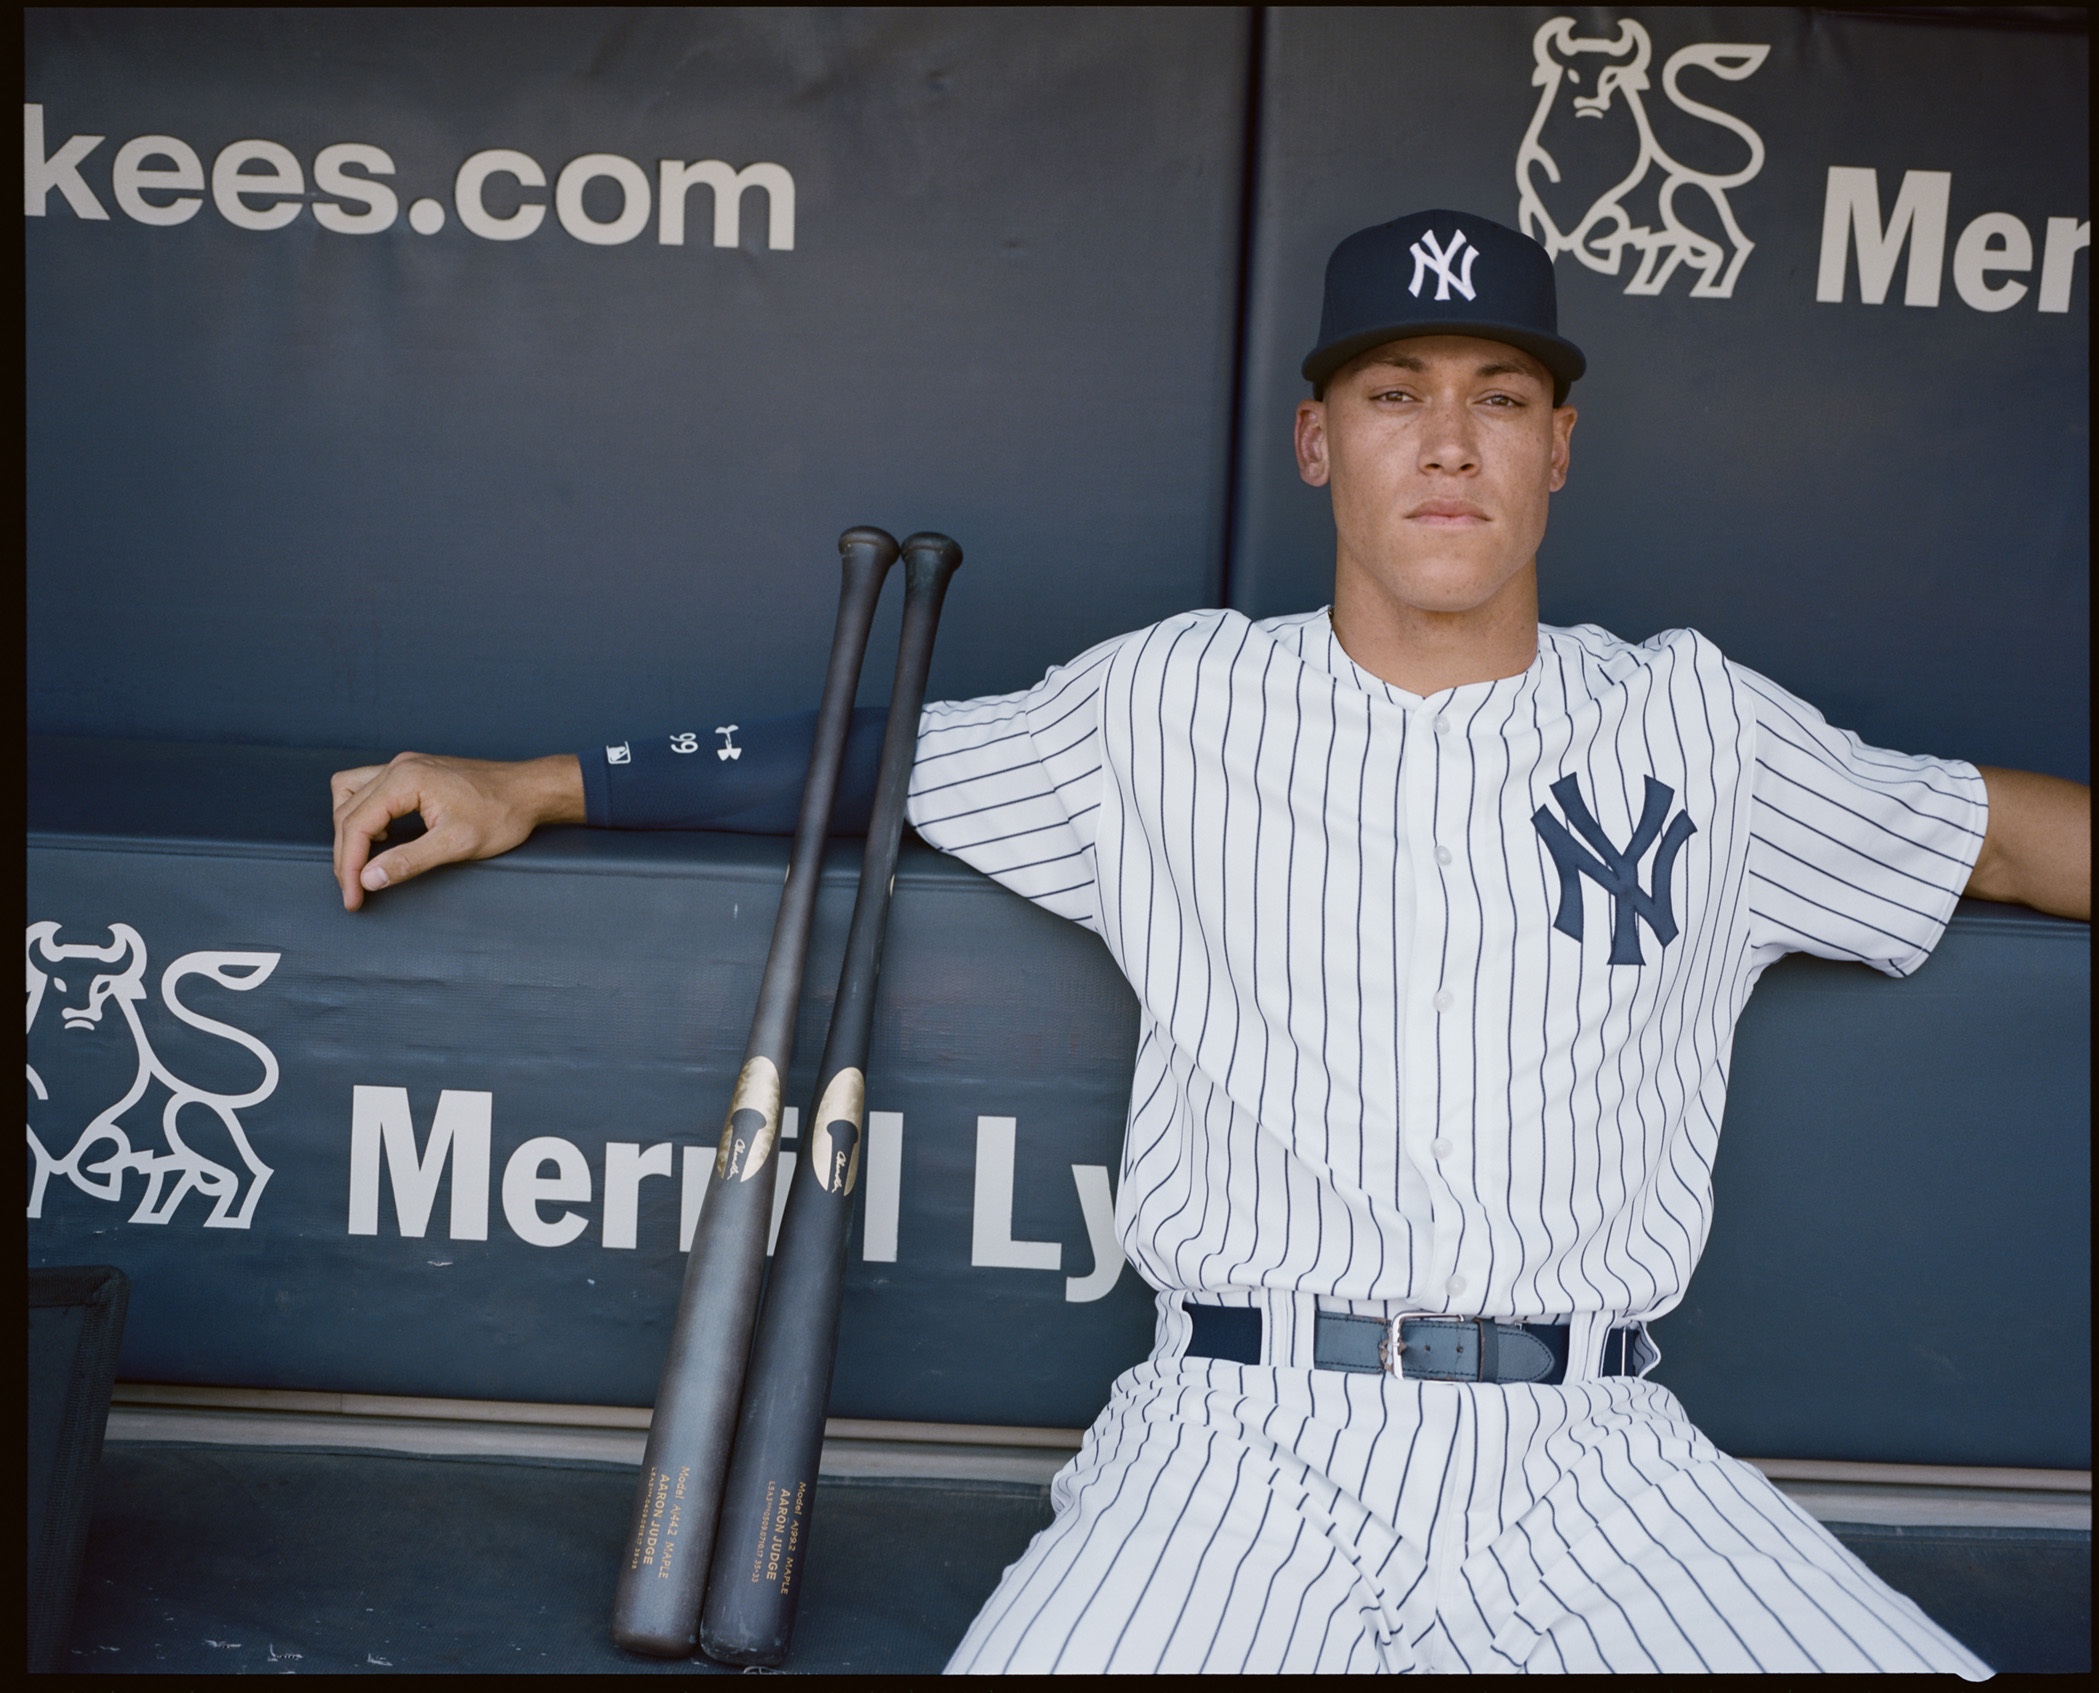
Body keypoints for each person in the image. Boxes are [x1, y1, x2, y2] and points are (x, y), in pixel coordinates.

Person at [329, 211, 2088, 1674]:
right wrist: (528, 785)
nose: (1452, 439)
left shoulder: (1707, 727)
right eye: (1396, 393)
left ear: (1561, 443)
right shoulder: (1166, 704)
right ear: (1320, 440)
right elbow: (867, 760)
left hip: (1597, 1455)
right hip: (1240, 1445)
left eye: (1501, 394)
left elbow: (2002, 835)